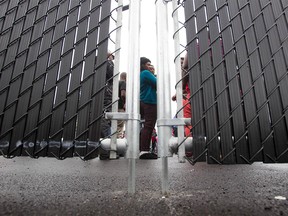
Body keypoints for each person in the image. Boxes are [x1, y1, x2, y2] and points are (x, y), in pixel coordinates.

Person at [139, 57, 157, 159]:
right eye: (148, 64)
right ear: (143, 65)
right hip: (149, 101)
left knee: (147, 126)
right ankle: (144, 150)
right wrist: (153, 74)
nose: (150, 66)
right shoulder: (145, 73)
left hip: (145, 100)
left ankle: (143, 149)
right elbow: (158, 83)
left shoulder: (141, 74)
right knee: (149, 125)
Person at [117, 72, 126, 138]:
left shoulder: (116, 83)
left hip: (114, 106)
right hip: (120, 107)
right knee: (120, 126)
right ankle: (118, 141)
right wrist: (125, 103)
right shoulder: (123, 82)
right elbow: (123, 94)